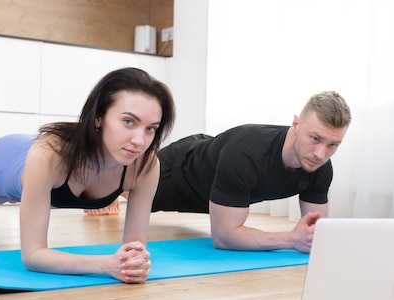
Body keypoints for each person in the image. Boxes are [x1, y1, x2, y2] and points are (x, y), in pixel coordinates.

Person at [0, 67, 176, 283]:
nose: (139, 140)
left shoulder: (146, 165)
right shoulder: (47, 155)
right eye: (128, 121)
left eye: (150, 129)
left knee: (33, 196)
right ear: (98, 117)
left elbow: (134, 251)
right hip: (5, 161)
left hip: (45, 179)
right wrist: (105, 265)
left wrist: (132, 263)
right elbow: (33, 255)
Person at [91, 91, 350, 252]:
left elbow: (318, 233)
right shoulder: (247, 153)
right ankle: (107, 189)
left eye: (332, 145)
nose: (321, 153)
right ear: (295, 124)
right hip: (181, 170)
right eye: (315, 138)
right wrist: (290, 239)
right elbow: (225, 237)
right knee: (126, 186)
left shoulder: (320, 167)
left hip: (216, 162)